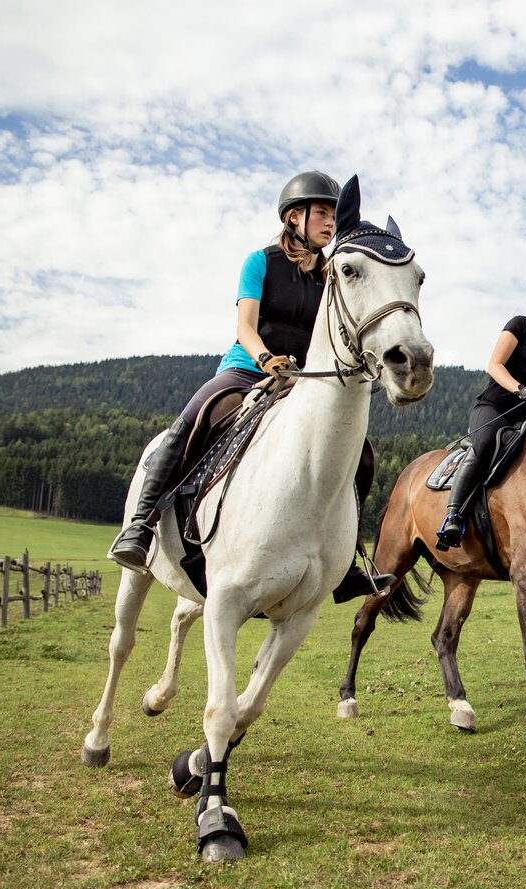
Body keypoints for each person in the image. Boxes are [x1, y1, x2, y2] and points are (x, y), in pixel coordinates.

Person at [109, 171, 392, 602]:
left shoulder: (331, 274)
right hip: (247, 370)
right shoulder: (260, 262)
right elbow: (245, 325)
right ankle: (140, 527)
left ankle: (347, 559)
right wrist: (264, 359)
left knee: (359, 454)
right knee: (192, 421)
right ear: (294, 216)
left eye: (334, 214)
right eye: (322, 212)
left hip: (301, 384)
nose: (330, 222)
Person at [435, 274, 526, 549]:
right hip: (493, 408)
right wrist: (521, 389)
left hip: (522, 418)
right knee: (486, 443)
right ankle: (453, 515)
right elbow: (495, 365)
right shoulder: (519, 325)